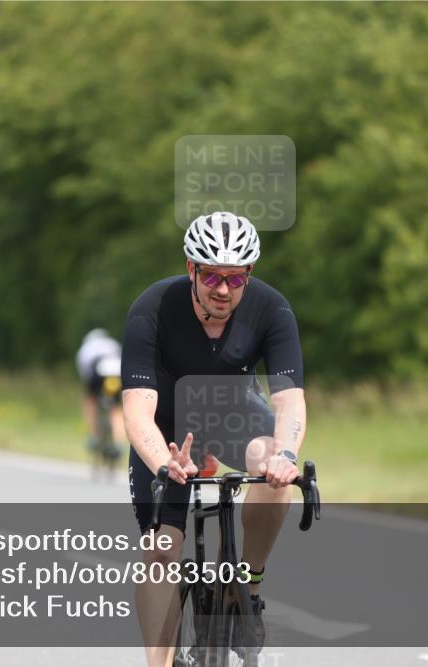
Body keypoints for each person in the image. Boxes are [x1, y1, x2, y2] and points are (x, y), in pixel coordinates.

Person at [122, 211, 307, 666]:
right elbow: (137, 410)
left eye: (235, 279)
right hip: (167, 432)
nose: (223, 290)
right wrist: (162, 462)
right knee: (162, 548)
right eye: (211, 276)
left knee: (269, 467)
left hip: (233, 415)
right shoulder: (152, 308)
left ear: (249, 275)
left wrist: (285, 455)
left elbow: (289, 402)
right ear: (192, 269)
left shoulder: (272, 308)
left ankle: (249, 585)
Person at [75, 328, 125, 457]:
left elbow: (85, 374)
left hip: (97, 371)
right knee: (116, 408)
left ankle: (94, 436)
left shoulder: (85, 348)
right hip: (116, 372)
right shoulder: (112, 343)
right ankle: (118, 442)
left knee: (90, 400)